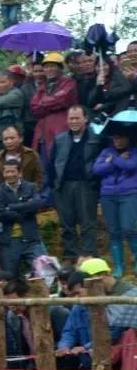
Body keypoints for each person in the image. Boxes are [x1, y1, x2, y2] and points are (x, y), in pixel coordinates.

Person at [47, 106, 103, 264]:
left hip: (86, 185)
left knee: (87, 224)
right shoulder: (60, 139)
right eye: (71, 118)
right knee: (67, 225)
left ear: (85, 118)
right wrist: (53, 185)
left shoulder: (96, 137)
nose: (74, 121)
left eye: (77, 118)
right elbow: (52, 163)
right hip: (63, 186)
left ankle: (89, 257)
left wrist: (94, 181)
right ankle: (71, 257)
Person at [0, 160, 48, 280]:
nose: (9, 175)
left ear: (20, 173)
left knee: (45, 271)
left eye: (13, 171)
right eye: (7, 172)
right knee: (10, 279)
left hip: (31, 239)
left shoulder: (31, 187)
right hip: (9, 241)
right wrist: (23, 210)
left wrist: (10, 207)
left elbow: (37, 204)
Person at [91, 130, 137, 278]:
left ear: (127, 138)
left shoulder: (134, 151)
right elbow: (97, 169)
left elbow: (130, 166)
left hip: (128, 193)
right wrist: (117, 160)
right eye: (115, 137)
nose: (117, 140)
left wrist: (113, 160)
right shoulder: (106, 151)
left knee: (129, 228)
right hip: (108, 195)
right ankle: (118, 265)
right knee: (114, 231)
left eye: (121, 137)